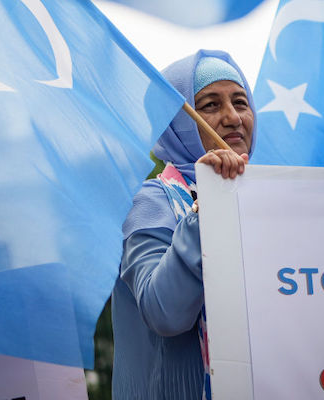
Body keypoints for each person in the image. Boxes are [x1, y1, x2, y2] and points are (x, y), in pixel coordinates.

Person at [111, 49, 255, 399]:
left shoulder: (262, 200)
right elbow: (165, 314)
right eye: (209, 105)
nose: (233, 117)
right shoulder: (150, 201)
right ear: (175, 122)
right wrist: (208, 209)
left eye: (240, 102)